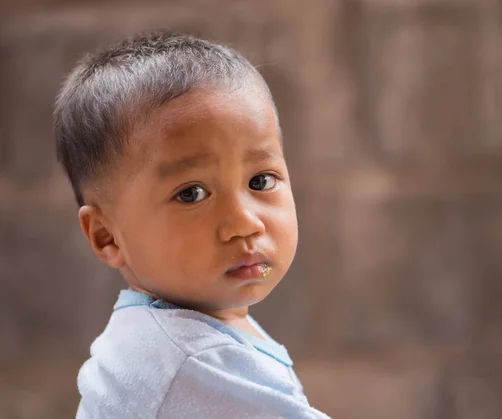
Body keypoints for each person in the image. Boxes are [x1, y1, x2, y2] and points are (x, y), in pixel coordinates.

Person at [54, 31, 330, 418]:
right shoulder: (193, 359)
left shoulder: (181, 330)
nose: (244, 224)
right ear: (106, 235)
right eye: (191, 194)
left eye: (261, 181)